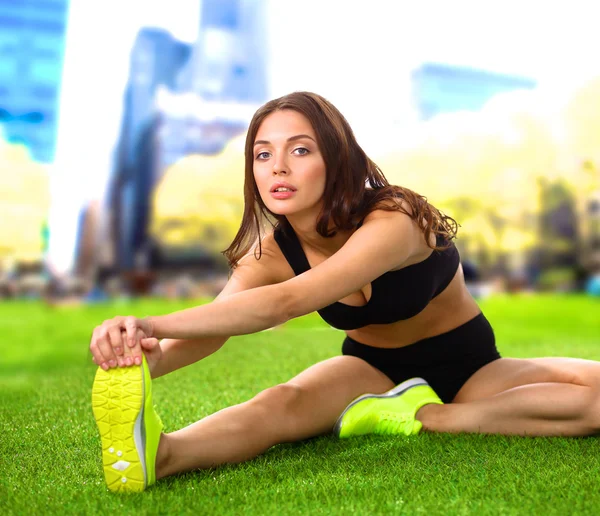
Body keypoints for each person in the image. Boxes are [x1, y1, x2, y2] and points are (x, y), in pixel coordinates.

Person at [89, 91, 600, 493]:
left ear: (335, 159)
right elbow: (223, 322)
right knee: (280, 403)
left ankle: (429, 416)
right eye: (263, 154)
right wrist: (143, 363)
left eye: (300, 150)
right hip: (372, 369)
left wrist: (153, 322)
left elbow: (288, 302)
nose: (277, 167)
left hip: (471, 364)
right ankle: (163, 455)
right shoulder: (270, 251)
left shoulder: (394, 219)